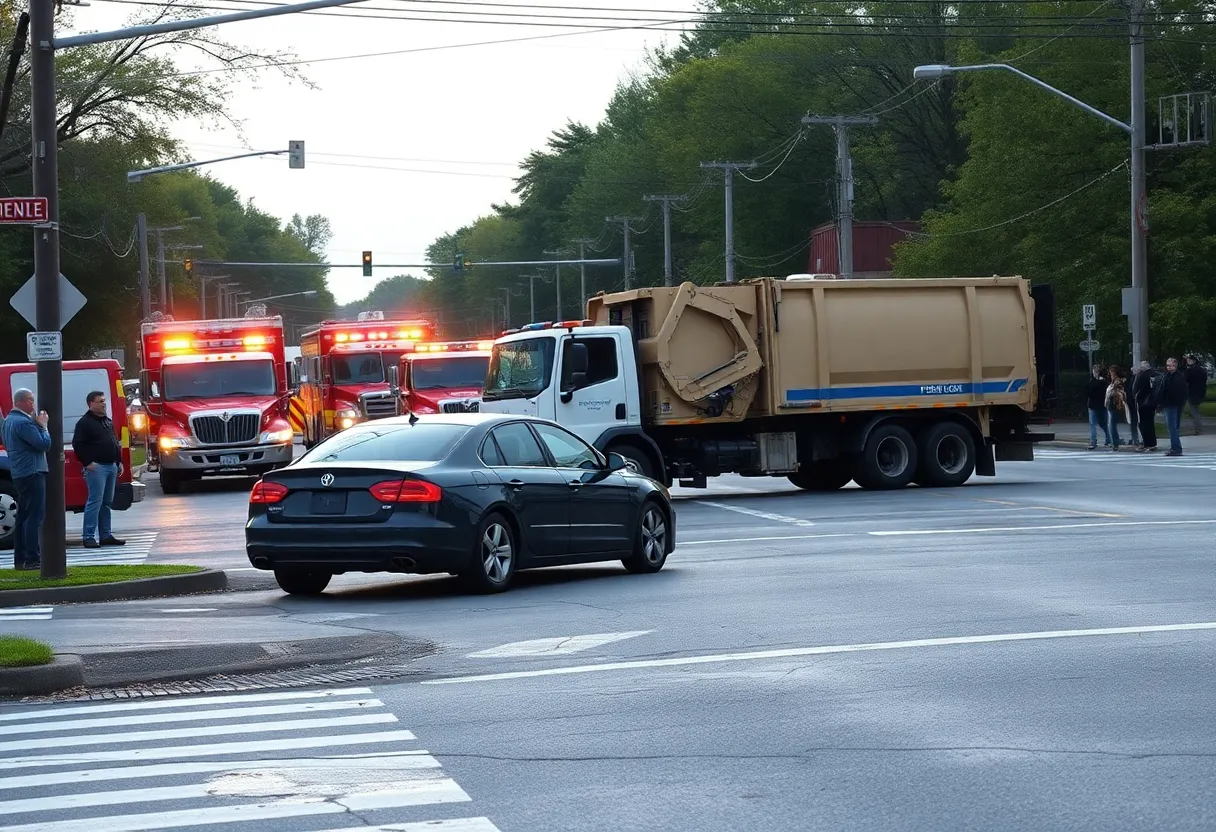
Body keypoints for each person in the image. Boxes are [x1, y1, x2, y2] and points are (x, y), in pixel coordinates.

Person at [2, 389, 50, 570]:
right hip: (33, 472)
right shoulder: (24, 423)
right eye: (31, 400)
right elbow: (44, 444)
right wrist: (43, 426)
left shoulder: (8, 421)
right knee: (34, 516)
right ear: (21, 401)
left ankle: (20, 559)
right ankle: (32, 558)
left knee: (22, 517)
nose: (33, 404)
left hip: (19, 472)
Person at [71, 391, 125, 549]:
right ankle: (88, 536)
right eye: (100, 401)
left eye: (104, 400)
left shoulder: (107, 421)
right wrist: (87, 462)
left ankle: (105, 535)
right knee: (95, 501)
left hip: (111, 466)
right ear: (91, 404)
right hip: (97, 468)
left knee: (106, 502)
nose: (104, 403)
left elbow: (114, 442)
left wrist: (118, 461)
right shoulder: (85, 423)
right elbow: (78, 444)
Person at [1162, 357, 1189, 457]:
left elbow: (1178, 391)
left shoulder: (1178, 377)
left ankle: (1176, 448)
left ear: (1176, 366)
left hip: (1173, 404)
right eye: (1168, 365)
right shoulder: (1168, 376)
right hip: (1171, 403)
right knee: (1173, 427)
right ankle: (1175, 447)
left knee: (1172, 426)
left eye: (1172, 365)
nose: (1170, 367)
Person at [1132, 360, 1159, 452]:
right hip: (1153, 402)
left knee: (1143, 424)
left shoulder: (1142, 375)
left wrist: (1137, 375)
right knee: (1150, 423)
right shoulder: (1157, 374)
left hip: (1143, 402)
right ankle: (1152, 443)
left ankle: (1147, 443)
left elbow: (1135, 388)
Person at [1085, 365, 1111, 450]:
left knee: (1095, 424)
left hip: (1095, 405)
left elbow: (1089, 391)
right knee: (1101, 424)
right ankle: (1106, 439)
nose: (1094, 372)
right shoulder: (1103, 382)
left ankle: (1095, 441)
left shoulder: (1095, 382)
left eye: (1095, 371)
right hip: (1099, 405)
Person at [1183, 355, 1206, 435]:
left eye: (1189, 360)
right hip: (1201, 393)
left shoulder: (1191, 371)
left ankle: (1197, 429)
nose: (1188, 362)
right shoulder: (1202, 370)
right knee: (1196, 411)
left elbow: (1185, 379)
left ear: (1193, 361)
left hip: (1193, 393)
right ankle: (1198, 428)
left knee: (1194, 412)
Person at [1105, 365, 1126, 451]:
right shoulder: (1112, 382)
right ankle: (1116, 441)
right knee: (1111, 424)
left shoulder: (1118, 382)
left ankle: (1115, 443)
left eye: (1112, 373)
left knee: (1111, 425)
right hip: (1110, 404)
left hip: (1114, 405)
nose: (1110, 375)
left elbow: (1118, 393)